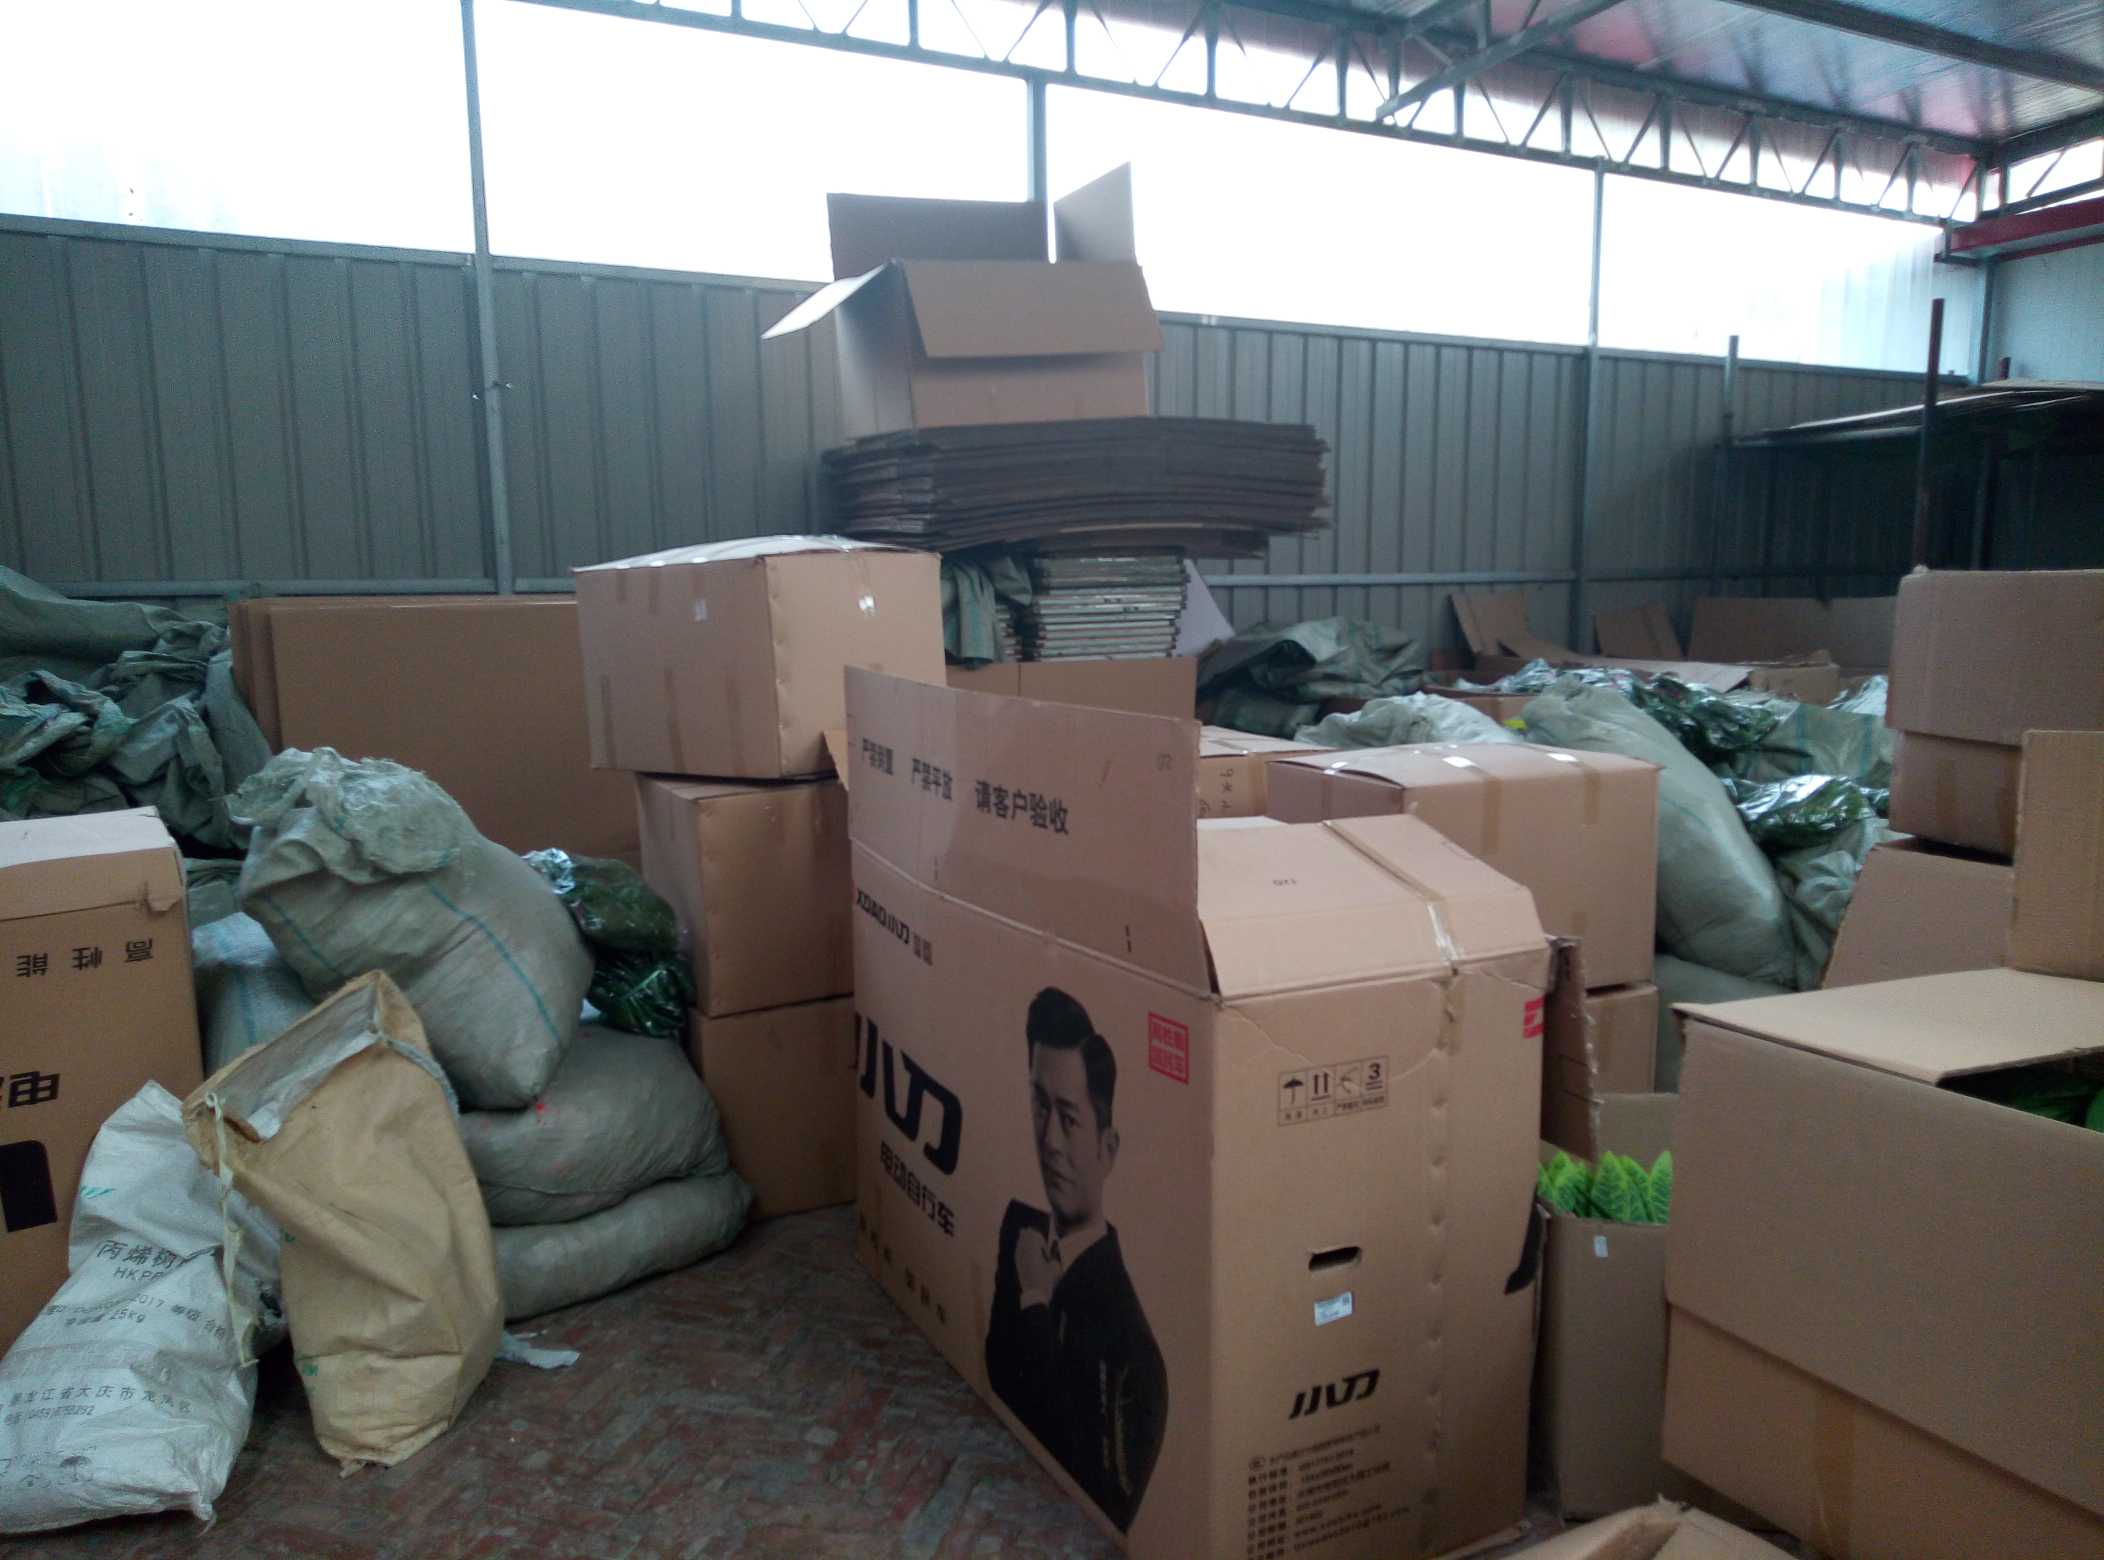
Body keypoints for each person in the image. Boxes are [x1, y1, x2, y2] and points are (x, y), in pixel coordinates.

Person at [985, 986, 1167, 1534]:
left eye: (1068, 1118)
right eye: (1039, 1106)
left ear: (1108, 1149)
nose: (1048, 1140)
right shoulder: (1019, 1231)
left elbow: (1097, 1494)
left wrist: (1035, 1304)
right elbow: (998, 1380)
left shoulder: (1136, 1354)